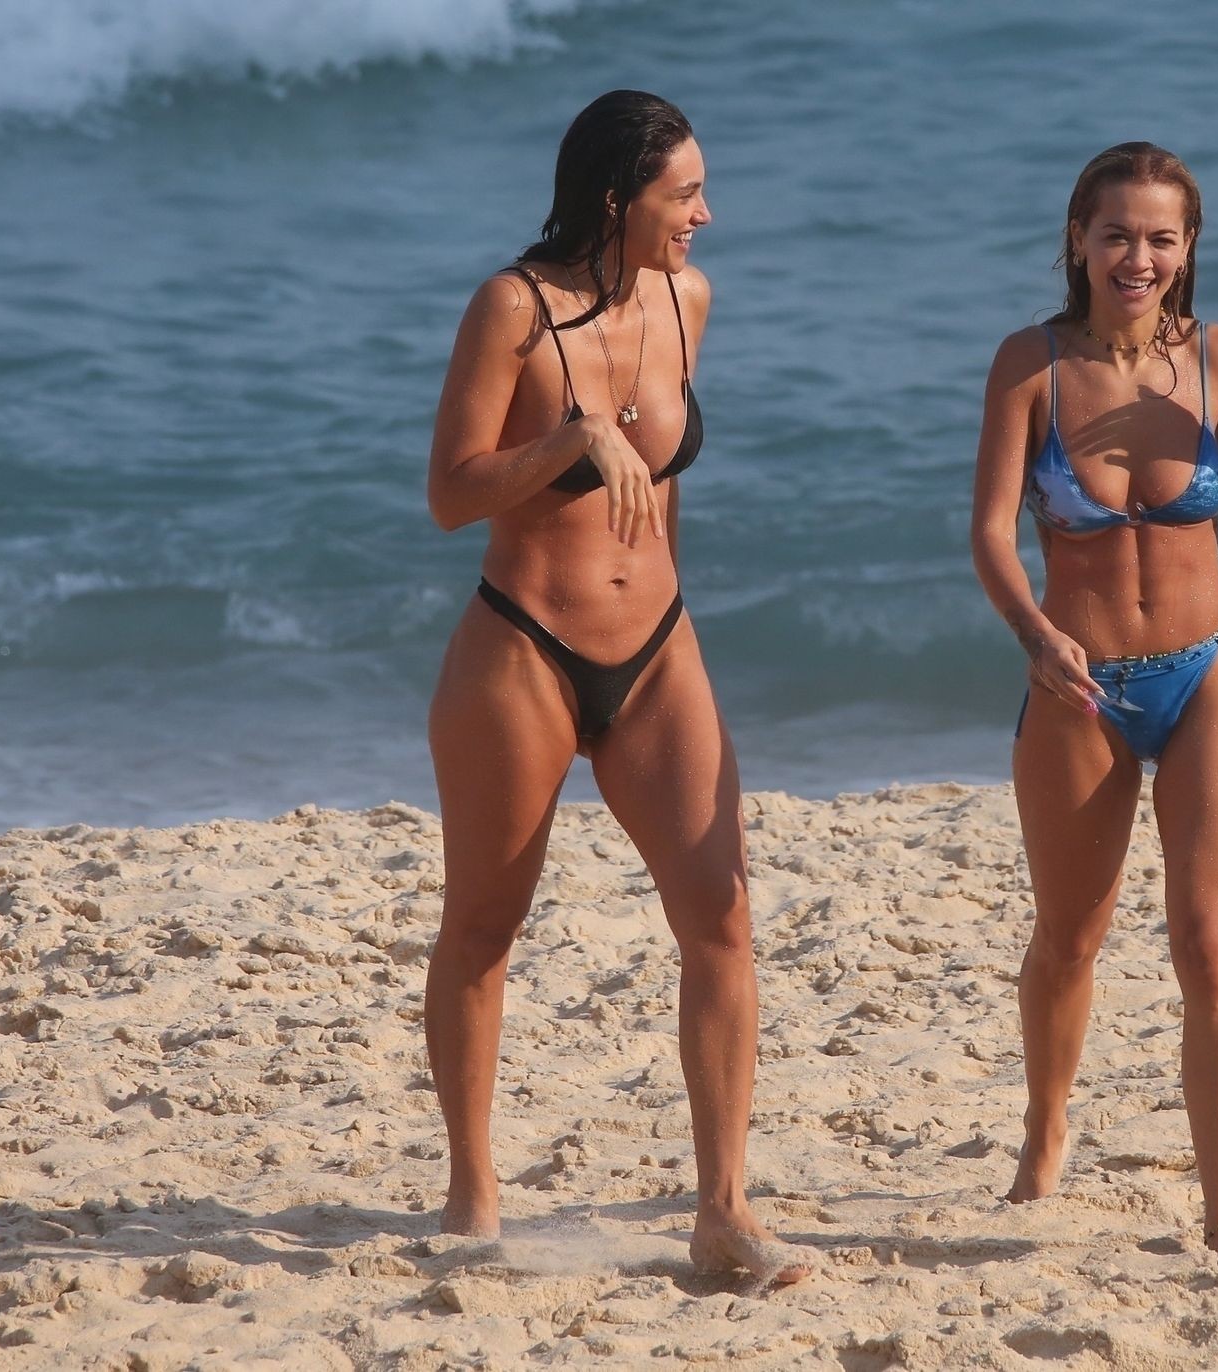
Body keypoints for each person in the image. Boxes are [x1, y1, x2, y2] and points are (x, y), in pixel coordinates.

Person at [423, 89, 808, 1284]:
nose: (705, 214)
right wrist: (570, 442)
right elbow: (450, 492)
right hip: (524, 647)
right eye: (683, 193)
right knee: (483, 926)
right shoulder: (512, 307)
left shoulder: (689, 301)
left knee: (723, 921)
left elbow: (661, 483)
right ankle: (473, 1194)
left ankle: (724, 1211)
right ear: (613, 198)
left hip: (658, 651)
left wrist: (660, 585)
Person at [970, 142, 1218, 1279]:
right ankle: (1046, 1129)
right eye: (1117, 234)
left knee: (1209, 948)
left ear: (1188, 248)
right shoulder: (1030, 365)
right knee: (1069, 939)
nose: (1139, 257)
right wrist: (1037, 636)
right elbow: (989, 533)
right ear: (1079, 239)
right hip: (1075, 684)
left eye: (1161, 238)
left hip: (1206, 672)